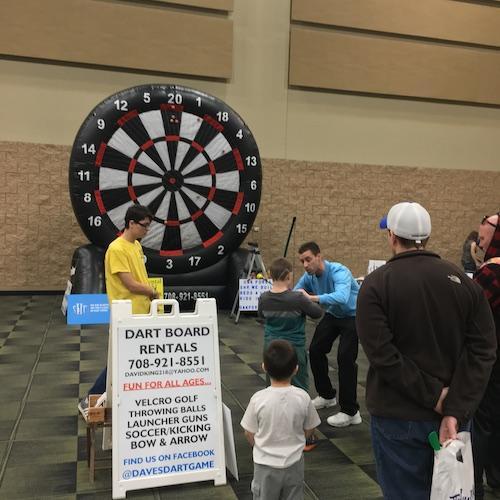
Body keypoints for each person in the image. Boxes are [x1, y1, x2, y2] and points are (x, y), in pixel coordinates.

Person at [356, 201, 497, 499]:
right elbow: (483, 351)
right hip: (456, 418)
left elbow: (383, 355)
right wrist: (454, 408)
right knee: (454, 493)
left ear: (392, 236)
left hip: (397, 417)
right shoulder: (465, 284)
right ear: (428, 238)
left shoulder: (375, 285)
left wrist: (435, 397)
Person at [78, 204, 158, 418]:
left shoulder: (136, 246)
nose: (146, 230)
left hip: (141, 312)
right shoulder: (117, 249)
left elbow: (140, 276)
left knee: (133, 360)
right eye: (144, 226)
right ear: (131, 223)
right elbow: (130, 284)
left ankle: (126, 400)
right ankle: (91, 398)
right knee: (119, 360)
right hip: (125, 315)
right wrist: (152, 291)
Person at [241, 339, 321, 500]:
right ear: (296, 369)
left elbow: (249, 432)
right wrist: (300, 439)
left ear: (264, 367)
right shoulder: (303, 397)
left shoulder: (258, 399)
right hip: (294, 463)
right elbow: (310, 427)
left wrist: (259, 446)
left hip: (265, 464)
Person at [294, 241, 361, 428]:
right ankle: (327, 395)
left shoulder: (340, 271)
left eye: (308, 259)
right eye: (302, 261)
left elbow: (342, 297)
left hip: (353, 315)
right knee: (315, 350)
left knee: (345, 359)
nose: (305, 265)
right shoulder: (310, 276)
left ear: (319, 257)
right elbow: (295, 293)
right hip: (333, 314)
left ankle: (351, 412)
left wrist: (311, 298)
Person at [258, 257, 323, 392]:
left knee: (272, 385)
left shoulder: (263, 298)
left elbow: (262, 316)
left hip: (271, 347)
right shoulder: (298, 298)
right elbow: (317, 313)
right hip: (294, 349)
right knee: (299, 387)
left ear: (270, 275)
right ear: (288, 276)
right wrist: (308, 298)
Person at [473, 212, 500, 499]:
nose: (480, 229)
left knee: (483, 422)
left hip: (490, 359)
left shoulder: (490, 272)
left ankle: (474, 484)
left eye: (487, 225)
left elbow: (472, 315)